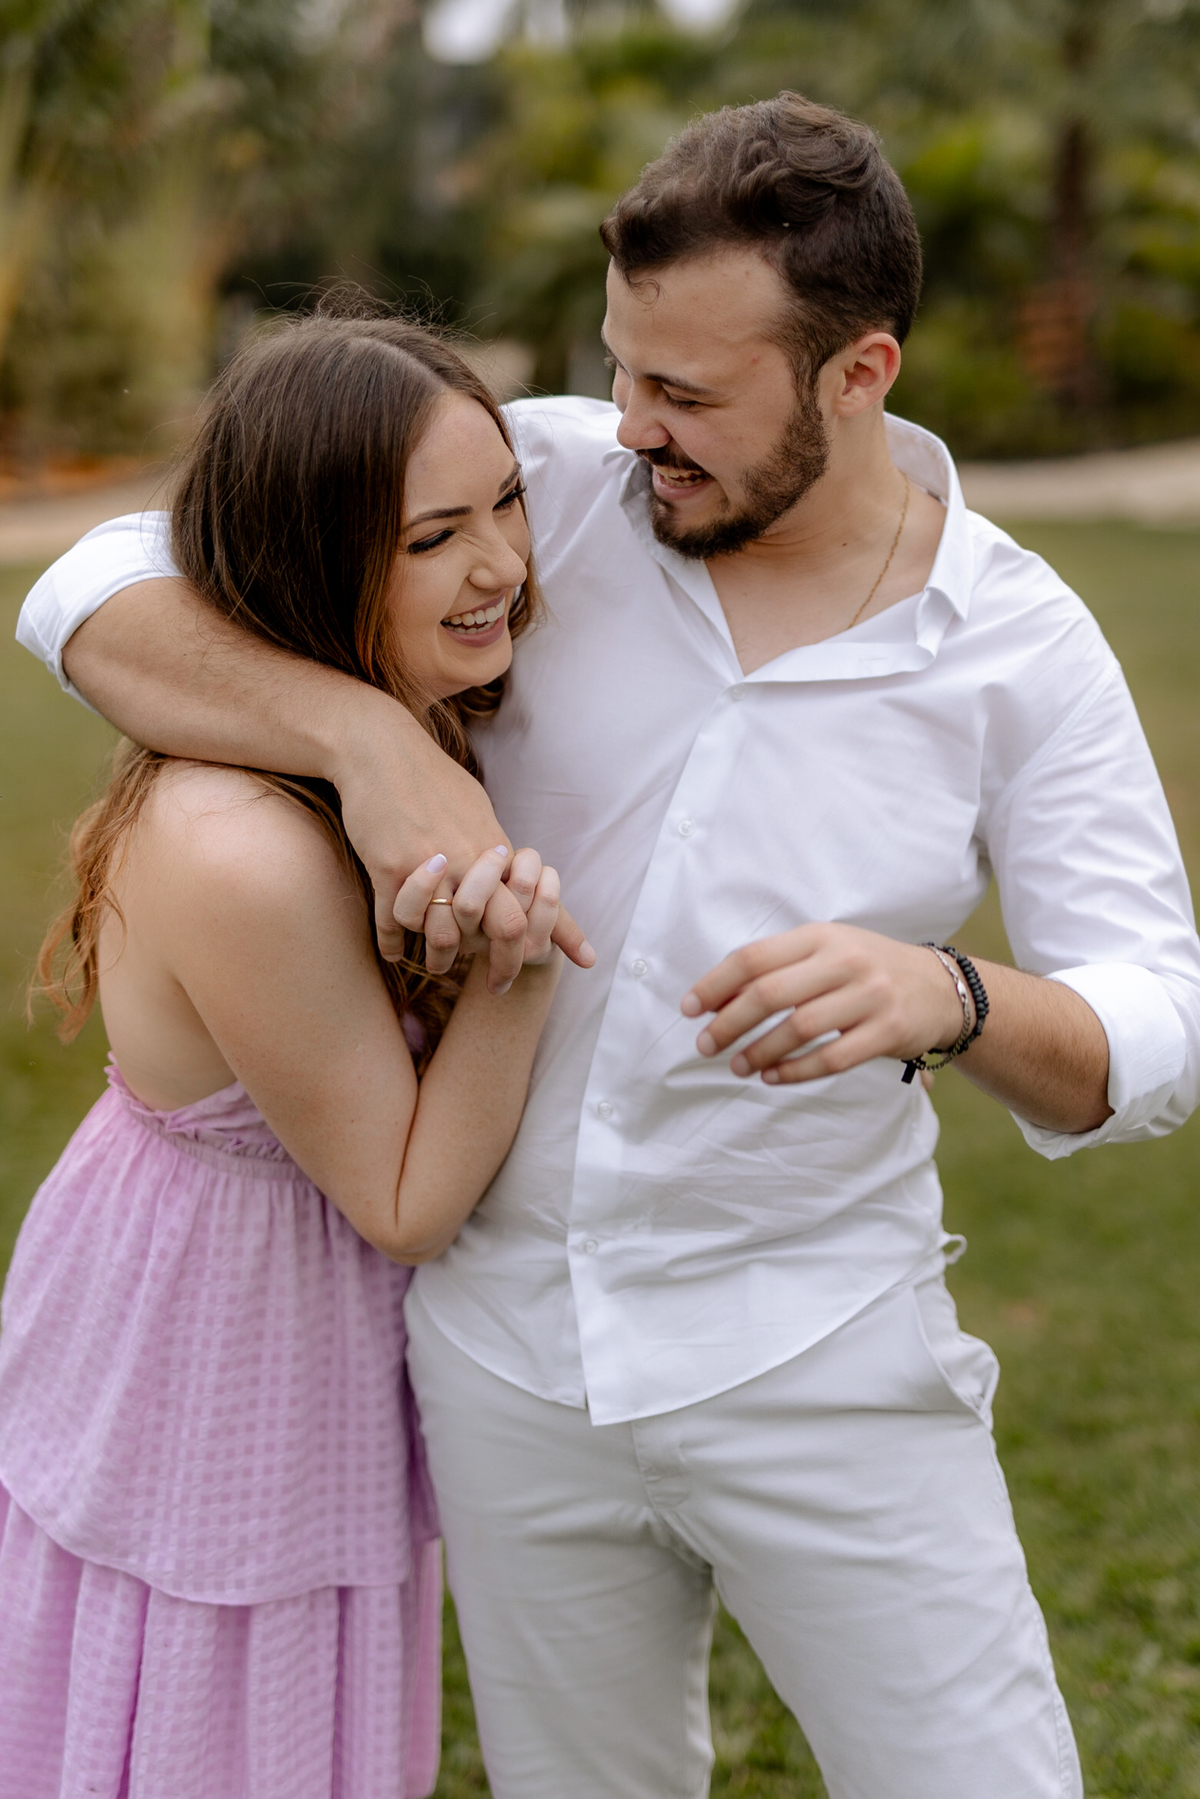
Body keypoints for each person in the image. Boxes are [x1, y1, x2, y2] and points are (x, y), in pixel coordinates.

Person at [18, 92, 1200, 1799]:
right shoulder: (546, 483)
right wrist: (375, 745)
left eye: (691, 394)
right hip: (500, 1356)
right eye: (623, 370)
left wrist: (948, 995)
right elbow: (93, 585)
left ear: (860, 375)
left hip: (820, 1353)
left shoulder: (1023, 648)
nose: (634, 428)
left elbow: (1154, 1025)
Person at [0, 311, 586, 1799]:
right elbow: (403, 1197)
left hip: (284, 1323)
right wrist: (520, 962)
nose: (503, 564)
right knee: (216, 1736)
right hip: (217, 1350)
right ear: (311, 563)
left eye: (505, 504)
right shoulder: (243, 847)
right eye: (433, 536)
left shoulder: (381, 730)